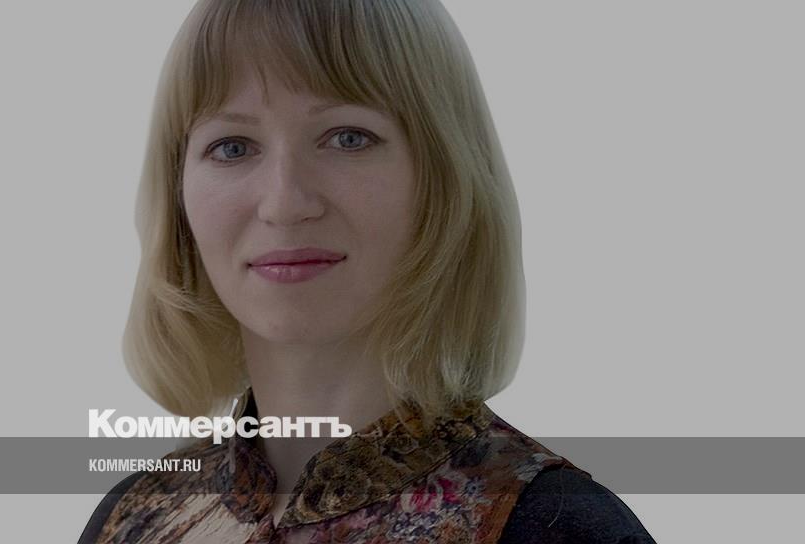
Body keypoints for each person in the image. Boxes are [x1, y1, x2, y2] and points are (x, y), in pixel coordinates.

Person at [80, 0, 656, 542]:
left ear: (442, 181)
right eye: (232, 147)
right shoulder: (129, 520)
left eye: (347, 138)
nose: (284, 203)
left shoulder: (557, 528)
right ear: (178, 198)